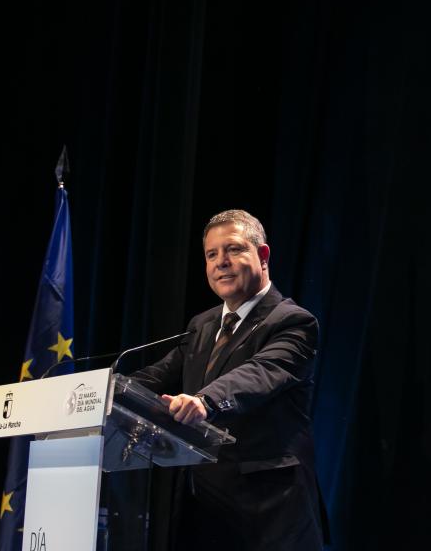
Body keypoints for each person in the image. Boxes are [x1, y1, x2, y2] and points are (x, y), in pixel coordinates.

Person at [130, 209, 326, 550]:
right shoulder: (202, 325)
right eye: (211, 254)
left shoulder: (294, 322)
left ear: (262, 256)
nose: (221, 262)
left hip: (268, 512)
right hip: (203, 510)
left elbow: (259, 374)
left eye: (233, 249)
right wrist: (97, 392)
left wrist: (204, 402)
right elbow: (158, 374)